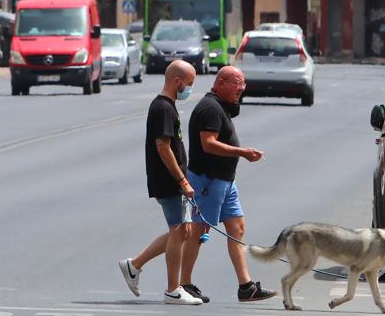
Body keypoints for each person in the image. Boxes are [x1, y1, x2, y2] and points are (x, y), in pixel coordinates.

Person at [118, 60, 209, 305]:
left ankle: (134, 265)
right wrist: (182, 179)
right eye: (189, 84)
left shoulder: (167, 106)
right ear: (177, 82)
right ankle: (172, 290)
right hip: (169, 181)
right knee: (180, 231)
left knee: (183, 230)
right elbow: (162, 146)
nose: (189, 89)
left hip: (175, 180)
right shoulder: (163, 108)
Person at [185, 65, 276, 303]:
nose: (241, 88)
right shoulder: (210, 108)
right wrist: (242, 152)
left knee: (237, 229)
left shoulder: (221, 107)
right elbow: (209, 144)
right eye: (237, 82)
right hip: (209, 180)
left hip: (225, 181)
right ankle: (184, 283)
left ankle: (246, 287)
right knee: (198, 231)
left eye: (243, 83)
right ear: (220, 83)